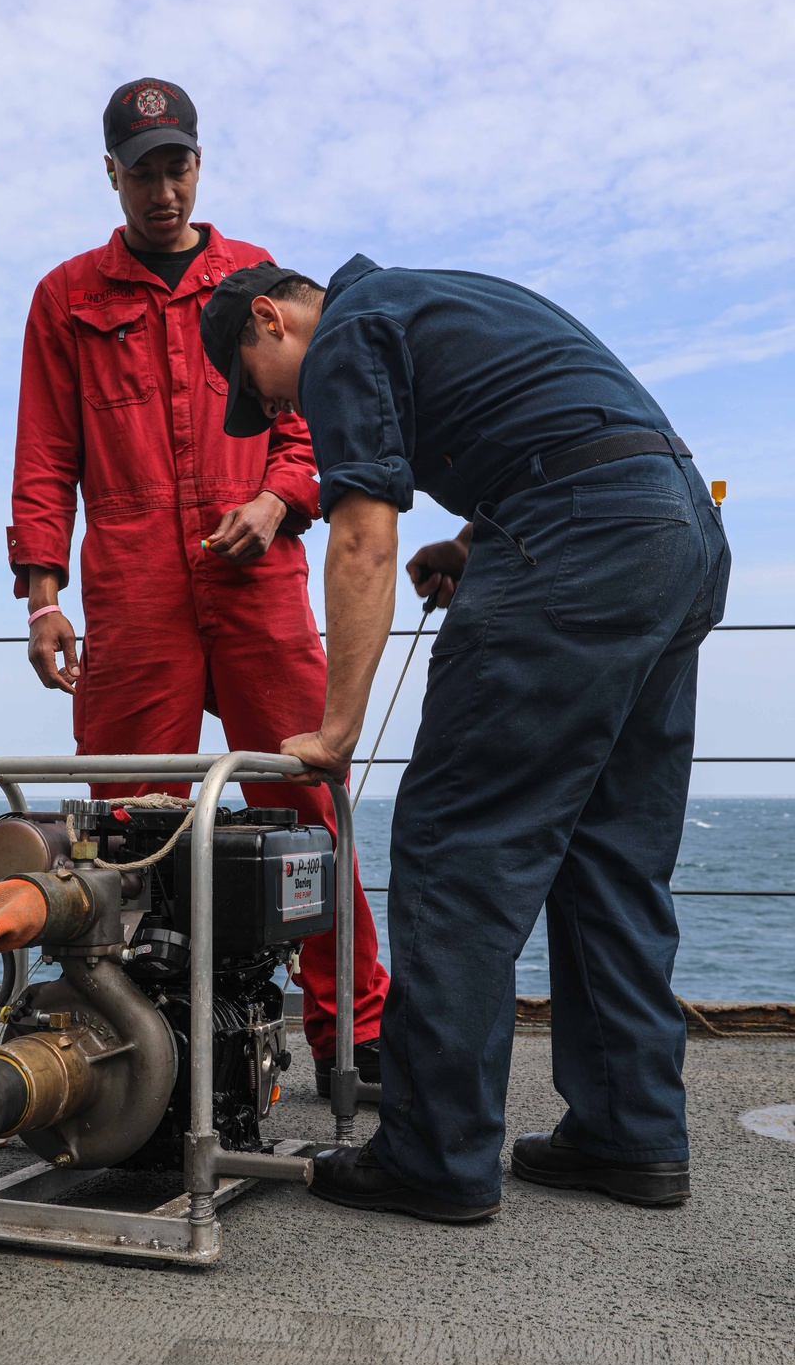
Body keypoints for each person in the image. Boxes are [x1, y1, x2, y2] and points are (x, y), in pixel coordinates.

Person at [199, 255, 731, 1222]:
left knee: (455, 843)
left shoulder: (348, 333)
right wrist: (478, 541)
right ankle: (631, 1132)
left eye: (256, 391)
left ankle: (434, 1156)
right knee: (610, 854)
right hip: (677, 534)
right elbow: (576, 431)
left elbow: (362, 535)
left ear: (268, 322)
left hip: (581, 544)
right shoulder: (444, 294)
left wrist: (337, 729)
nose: (278, 412)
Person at [7, 82, 388, 1082]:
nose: (163, 190)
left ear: (199, 164)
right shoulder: (65, 297)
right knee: (128, 833)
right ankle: (148, 1048)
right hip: (132, 602)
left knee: (310, 803)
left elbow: (311, 416)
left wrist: (277, 499)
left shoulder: (260, 281)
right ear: (111, 175)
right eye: (143, 172)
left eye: (177, 166)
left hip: (260, 590)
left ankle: (353, 1031)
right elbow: (45, 452)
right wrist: (45, 594)